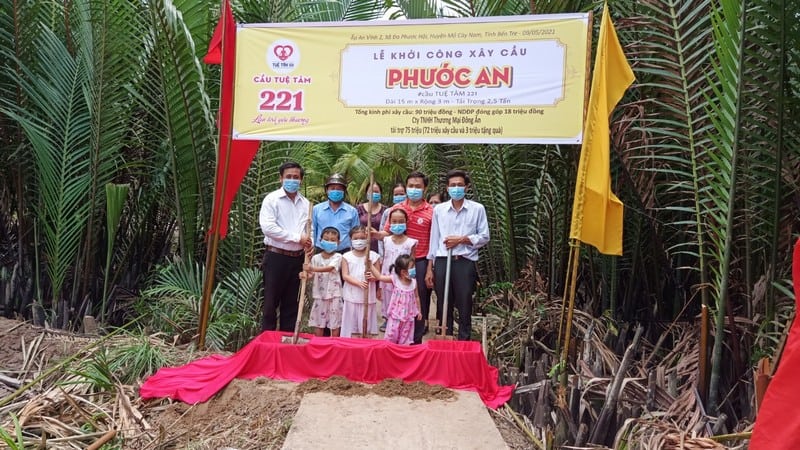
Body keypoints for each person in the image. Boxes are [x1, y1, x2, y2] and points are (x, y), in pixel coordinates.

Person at [427, 169, 490, 340]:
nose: (456, 188)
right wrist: (430, 268)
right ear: (447, 188)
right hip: (442, 260)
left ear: (466, 187)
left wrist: (462, 240)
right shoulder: (439, 210)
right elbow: (434, 239)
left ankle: (464, 339)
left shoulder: (477, 209)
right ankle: (444, 338)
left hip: (464, 261)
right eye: (453, 185)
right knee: (443, 301)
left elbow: (484, 236)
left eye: (460, 185)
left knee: (464, 302)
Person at [379, 172, 434, 345]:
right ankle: (394, 340)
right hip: (396, 263)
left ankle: (415, 342)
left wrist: (429, 268)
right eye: (411, 186)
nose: (414, 189)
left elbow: (433, 240)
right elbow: (386, 232)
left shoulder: (431, 212)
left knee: (418, 301)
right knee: (396, 300)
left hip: (419, 262)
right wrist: (374, 234)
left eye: (418, 186)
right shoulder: (396, 209)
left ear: (425, 188)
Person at [259, 161, 313, 332]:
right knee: (270, 304)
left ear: (301, 180)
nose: (292, 180)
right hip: (276, 258)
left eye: (296, 177)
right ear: (280, 178)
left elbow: (310, 229)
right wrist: (297, 238)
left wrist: (310, 242)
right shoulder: (272, 199)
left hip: (297, 259)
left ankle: (286, 341)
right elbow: (268, 228)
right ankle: (267, 341)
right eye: (288, 176)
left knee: (291, 305)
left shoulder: (306, 204)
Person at [379, 209, 417, 331]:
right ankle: (388, 320)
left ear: (406, 222)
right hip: (388, 275)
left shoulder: (411, 243)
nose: (397, 224)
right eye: (394, 221)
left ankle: (402, 321)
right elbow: (384, 257)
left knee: (402, 300)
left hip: (403, 278)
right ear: (389, 223)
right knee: (388, 298)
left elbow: (413, 261)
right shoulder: (386, 240)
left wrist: (411, 277)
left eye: (401, 221)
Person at [302, 227, 344, 337]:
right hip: (319, 295)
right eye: (326, 239)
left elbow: (330, 268)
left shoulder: (338, 257)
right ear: (320, 240)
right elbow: (311, 275)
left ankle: (334, 343)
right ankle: (318, 343)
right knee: (318, 322)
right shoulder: (315, 258)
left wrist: (312, 268)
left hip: (334, 295)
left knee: (335, 323)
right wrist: (304, 275)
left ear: (338, 242)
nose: (329, 242)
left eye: (333, 240)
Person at [340, 226, 381, 337]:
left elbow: (378, 275)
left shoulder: (374, 256)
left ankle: (365, 341)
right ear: (351, 239)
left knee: (366, 324)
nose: (359, 241)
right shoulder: (346, 256)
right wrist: (358, 283)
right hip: (351, 296)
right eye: (356, 238)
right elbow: (345, 275)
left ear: (368, 239)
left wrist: (372, 277)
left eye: (362, 238)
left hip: (368, 297)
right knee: (351, 326)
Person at [375, 254, 422, 345]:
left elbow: (417, 297)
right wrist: (370, 266)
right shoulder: (395, 280)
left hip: (408, 318)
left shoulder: (414, 283)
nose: (414, 269)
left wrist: (419, 311)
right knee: (391, 337)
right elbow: (380, 277)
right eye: (412, 267)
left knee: (405, 339)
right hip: (395, 316)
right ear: (403, 272)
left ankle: (402, 352)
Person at [312, 173, 360, 253]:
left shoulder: (352, 211)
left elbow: (356, 233)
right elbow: (313, 231)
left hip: (344, 252)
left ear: (344, 191)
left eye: (339, 189)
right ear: (327, 190)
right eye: (332, 188)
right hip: (321, 252)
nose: (335, 191)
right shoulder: (316, 209)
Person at [357, 182, 387, 253]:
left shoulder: (386, 210)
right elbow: (354, 228)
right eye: (371, 191)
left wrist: (378, 234)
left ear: (380, 193)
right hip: (362, 245)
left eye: (376, 192)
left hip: (380, 247)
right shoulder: (358, 209)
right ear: (366, 193)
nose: (374, 194)